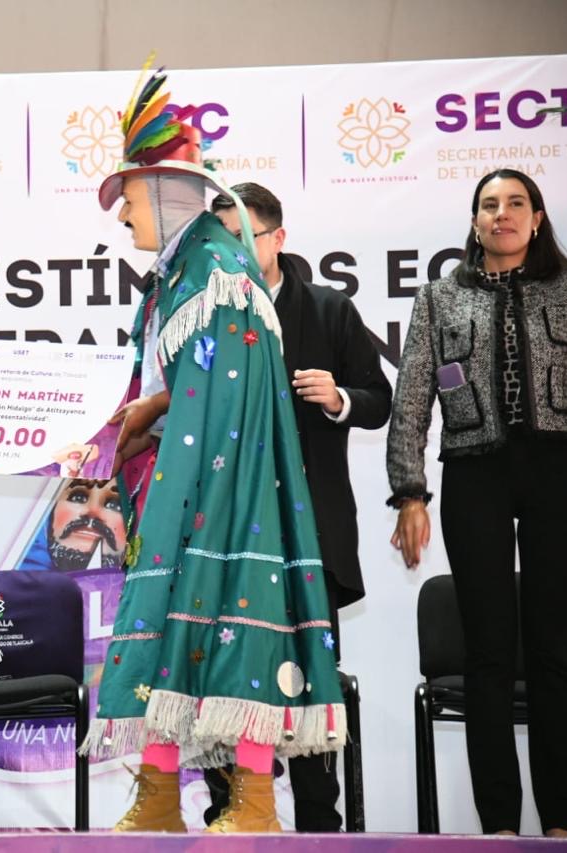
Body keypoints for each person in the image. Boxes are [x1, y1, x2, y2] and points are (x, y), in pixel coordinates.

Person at [78, 64, 345, 834]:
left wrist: (160, 432)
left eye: (130, 200)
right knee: (167, 631)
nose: (124, 217)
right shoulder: (177, 277)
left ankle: (255, 802)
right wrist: (136, 427)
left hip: (225, 488)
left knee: (239, 630)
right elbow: (177, 387)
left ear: (166, 193)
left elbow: (226, 393)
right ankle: (159, 796)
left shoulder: (218, 269)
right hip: (183, 481)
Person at [388, 169, 567, 838]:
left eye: (516, 203)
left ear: (537, 218)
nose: (502, 214)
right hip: (473, 475)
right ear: (475, 220)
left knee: (552, 650)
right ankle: (499, 830)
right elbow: (412, 398)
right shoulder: (439, 297)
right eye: (489, 205)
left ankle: (561, 827)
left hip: (557, 471)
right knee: (486, 653)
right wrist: (409, 492)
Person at [204, 182, 392, 830]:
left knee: (310, 678)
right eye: (219, 240)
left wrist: (338, 398)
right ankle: (231, 814)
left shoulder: (328, 309)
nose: (230, 251)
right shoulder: (203, 314)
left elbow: (379, 399)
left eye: (244, 237)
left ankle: (318, 825)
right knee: (224, 677)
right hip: (228, 533)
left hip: (309, 532)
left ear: (278, 238)